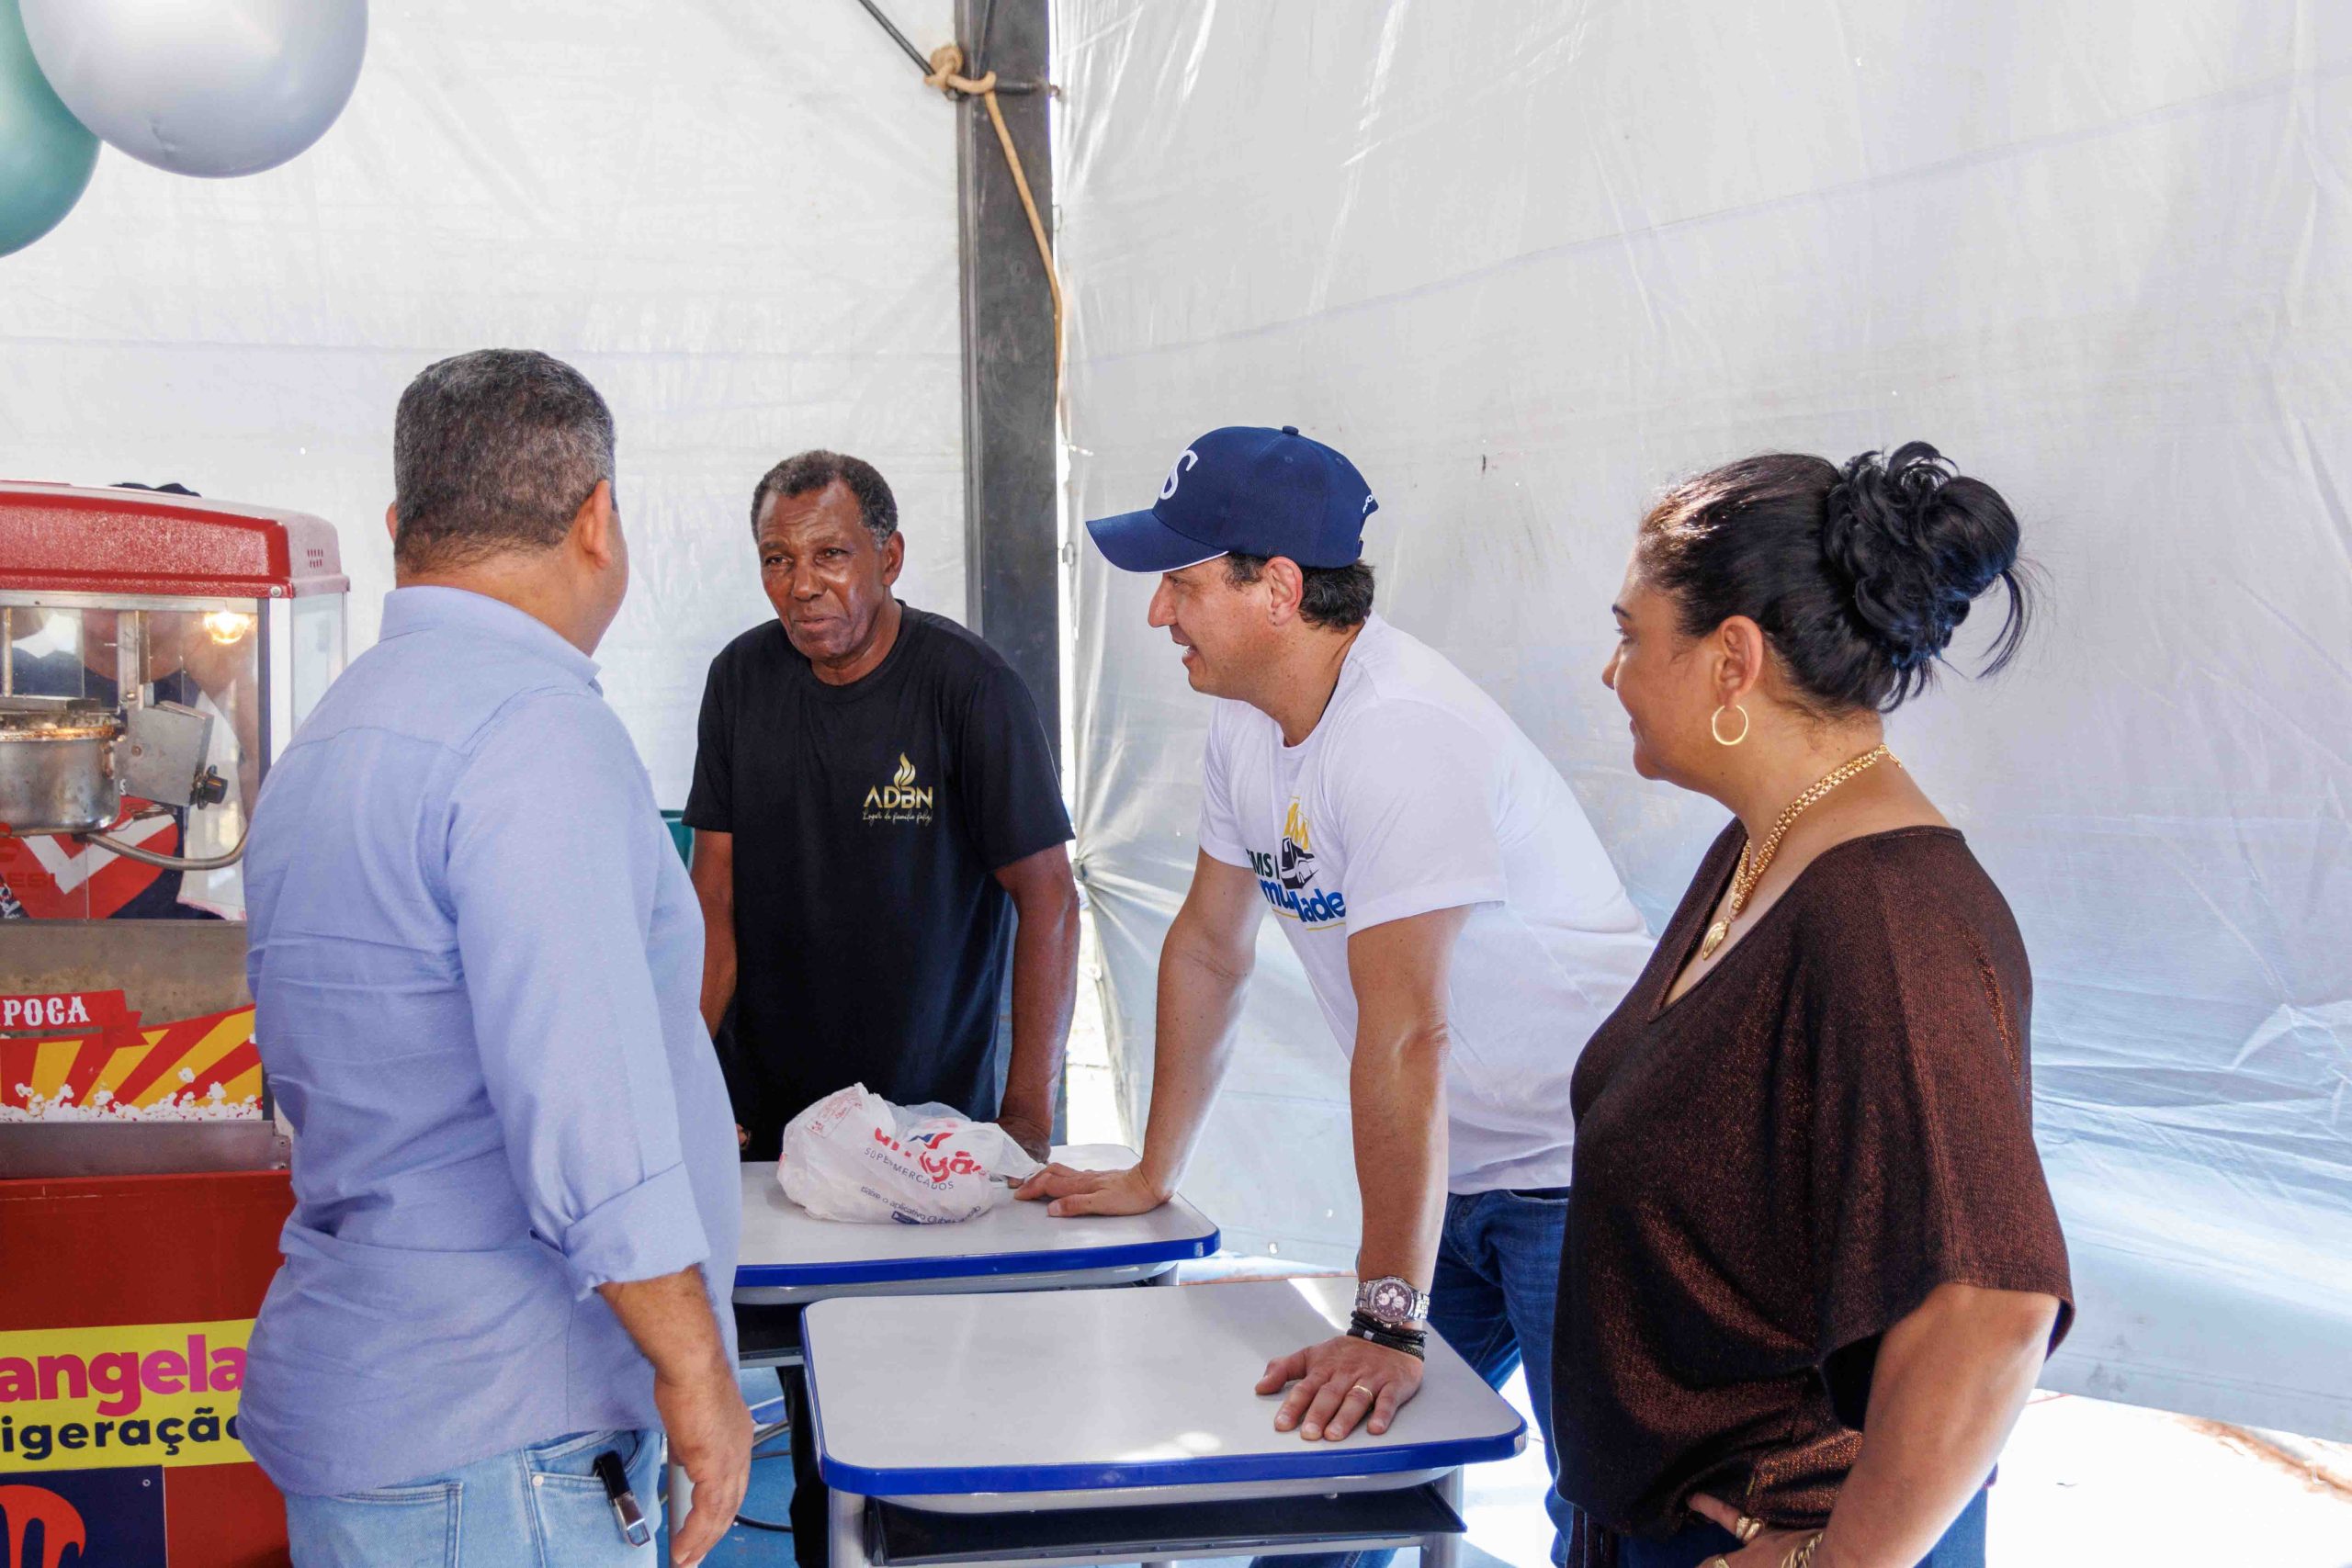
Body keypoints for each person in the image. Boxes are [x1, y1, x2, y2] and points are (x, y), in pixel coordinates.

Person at [1024, 424, 1654, 1568]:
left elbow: (1408, 1036)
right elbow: (1209, 949)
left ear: (1275, 588)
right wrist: (1154, 1170)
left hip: (1587, 1170)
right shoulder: (1245, 718)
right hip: (1456, 1169)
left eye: (1180, 583)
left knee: (1602, 1519)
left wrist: (1385, 1318)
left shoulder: (1399, 733)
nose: (1158, 613)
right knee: (1326, 1486)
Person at [241, 350, 752, 1568]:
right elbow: (585, 1103)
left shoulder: (331, 734)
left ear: (399, 528)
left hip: (375, 1406)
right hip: (506, 1433)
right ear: (597, 519)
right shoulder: (535, 732)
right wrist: (694, 1368)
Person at [1556, 444, 2074, 1568]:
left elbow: (1993, 1306)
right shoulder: (1766, 851)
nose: (1611, 672)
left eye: (1631, 636)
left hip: (1772, 1531)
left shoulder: (1890, 920)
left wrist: (1831, 1562)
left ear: (1731, 660)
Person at [684, 448, 1079, 1562]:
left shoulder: (967, 686)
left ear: (889, 558)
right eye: (777, 559)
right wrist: (685, 1078)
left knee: (930, 1413)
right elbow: (711, 900)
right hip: (778, 1126)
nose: (802, 585)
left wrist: (1026, 1113)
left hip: (925, 1126)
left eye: (830, 555)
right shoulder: (740, 679)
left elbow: (1047, 899)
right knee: (819, 1421)